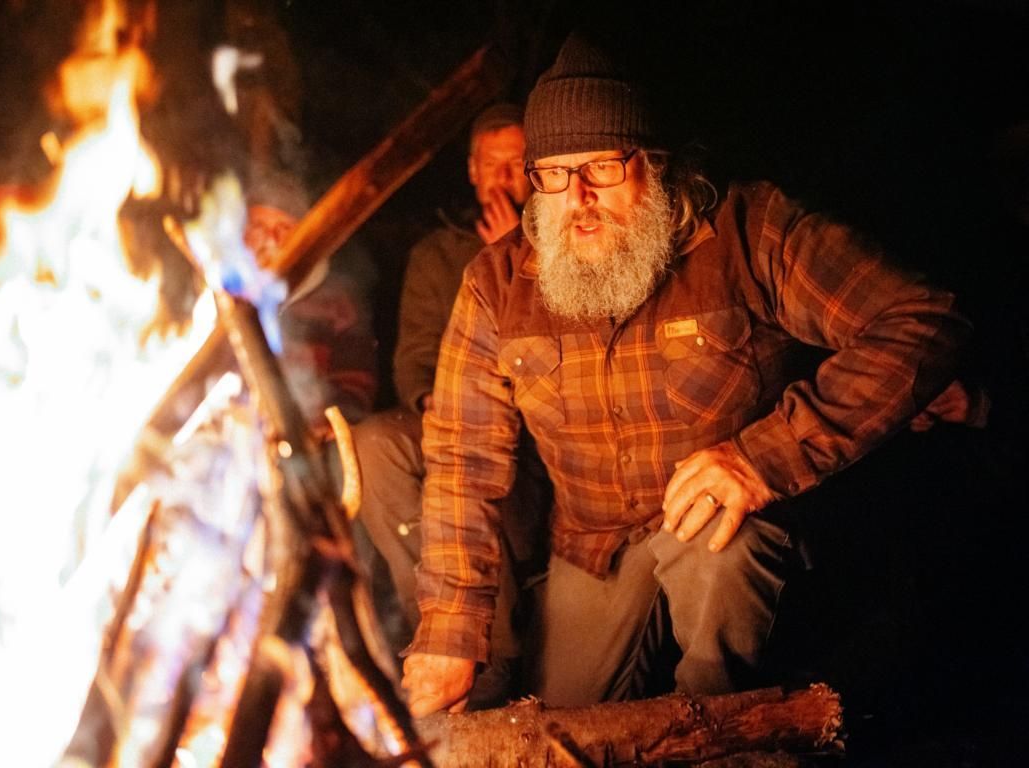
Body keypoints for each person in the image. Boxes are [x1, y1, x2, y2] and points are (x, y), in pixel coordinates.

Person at [401, 31, 971, 716]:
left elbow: (920, 318)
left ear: (655, 163)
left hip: (728, 522)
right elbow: (462, 456)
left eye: (602, 166)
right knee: (562, 726)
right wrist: (448, 631)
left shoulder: (746, 232)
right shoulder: (497, 283)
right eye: (552, 172)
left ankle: (723, 732)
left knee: (721, 559)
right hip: (592, 544)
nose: (575, 195)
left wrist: (763, 457)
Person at [351, 103, 547, 701]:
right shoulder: (436, 255)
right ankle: (436, 641)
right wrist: (434, 399)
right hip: (449, 421)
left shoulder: (564, 248)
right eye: (493, 164)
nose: (503, 178)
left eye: (518, 164)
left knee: (483, 469)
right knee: (376, 444)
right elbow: (412, 354)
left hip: (536, 440)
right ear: (471, 170)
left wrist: (518, 250)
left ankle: (497, 664)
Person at [243, 171, 379, 433]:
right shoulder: (220, 296)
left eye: (283, 228)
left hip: (306, 439)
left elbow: (354, 389)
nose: (271, 241)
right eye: (259, 227)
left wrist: (320, 431)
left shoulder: (337, 304)